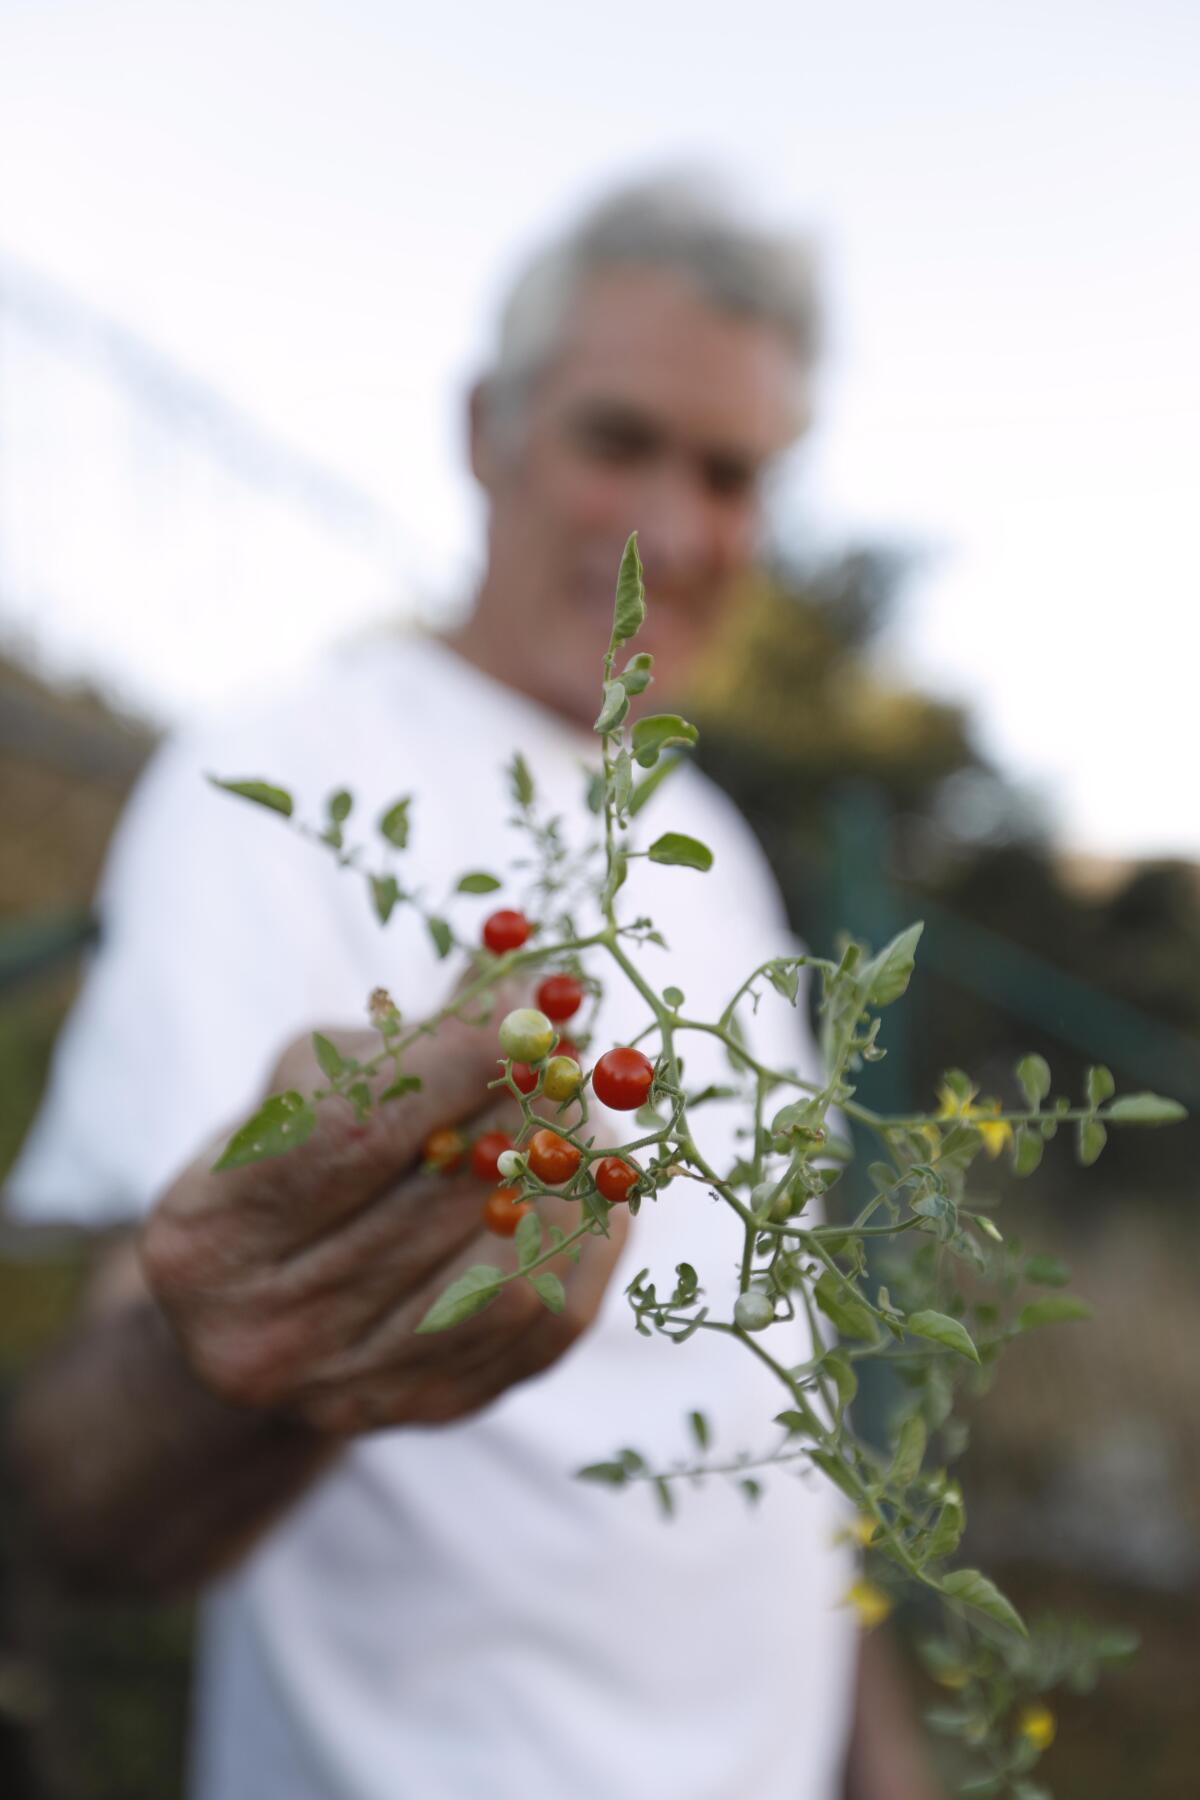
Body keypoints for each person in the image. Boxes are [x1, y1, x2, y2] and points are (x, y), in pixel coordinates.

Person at [5, 178, 942, 1800]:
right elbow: (85, 1496)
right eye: (617, 439)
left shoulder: (713, 846)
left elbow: (773, 1422)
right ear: (483, 430)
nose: (675, 525)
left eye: (730, 475)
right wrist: (254, 1331)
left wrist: (888, 1764)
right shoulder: (288, 771)